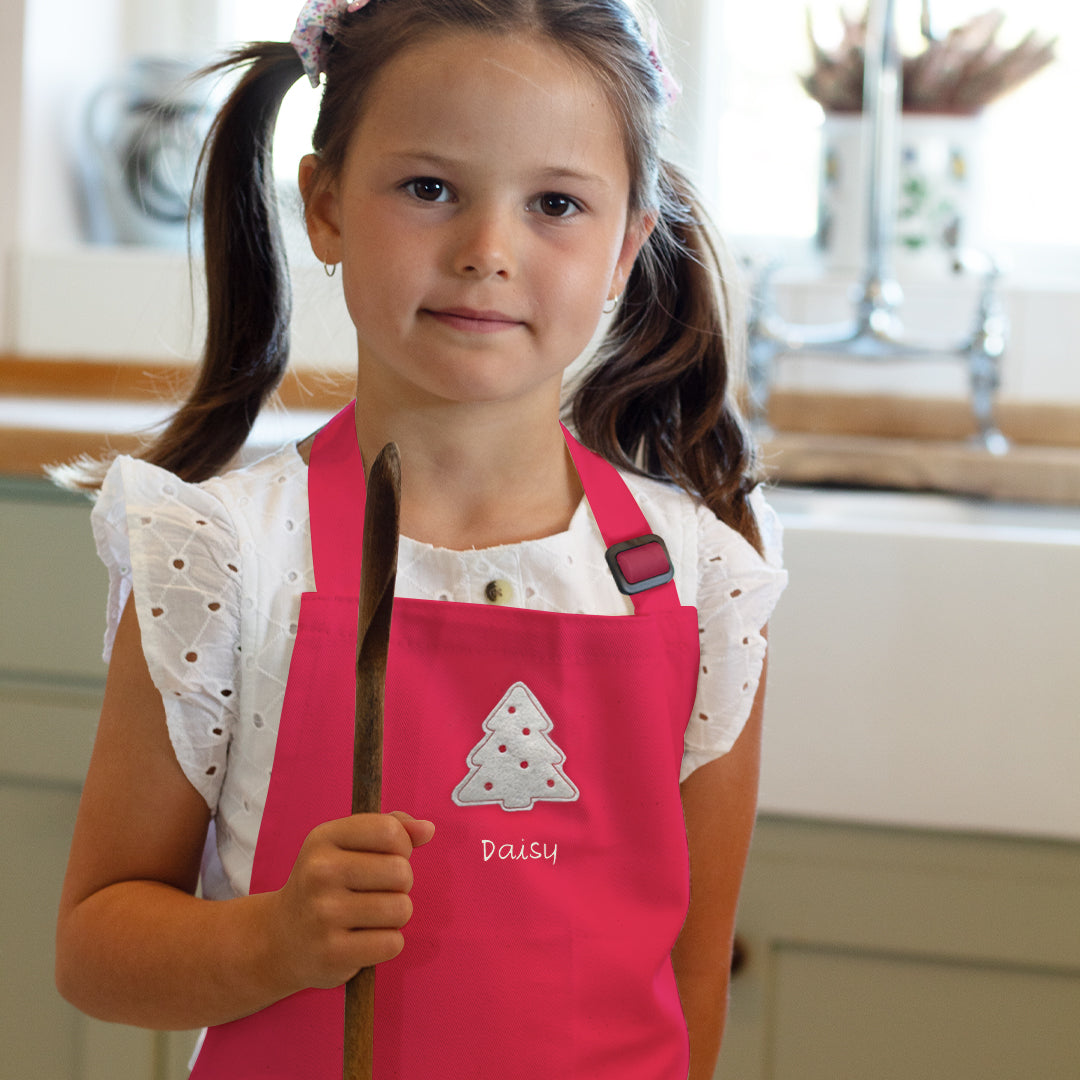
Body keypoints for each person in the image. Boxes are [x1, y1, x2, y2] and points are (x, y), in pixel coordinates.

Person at [55, 1, 787, 1077]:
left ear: (628, 245)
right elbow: (96, 953)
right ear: (327, 207)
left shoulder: (701, 583)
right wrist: (276, 939)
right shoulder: (226, 557)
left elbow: (690, 972)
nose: (487, 251)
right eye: (430, 188)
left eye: (555, 203)